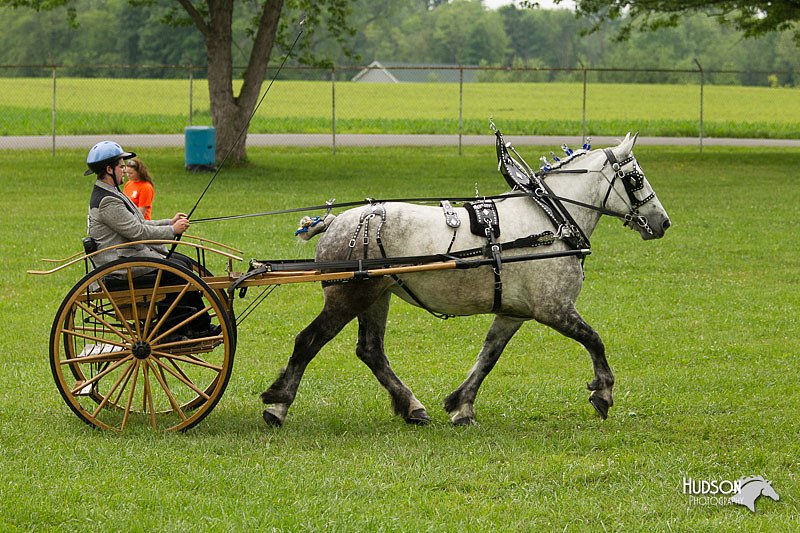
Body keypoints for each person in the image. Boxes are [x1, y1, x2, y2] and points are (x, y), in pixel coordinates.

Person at [84, 140, 217, 339]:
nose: (124, 171)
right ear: (109, 169)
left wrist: (169, 223)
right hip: (120, 265)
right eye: (121, 167)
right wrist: (172, 230)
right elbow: (137, 232)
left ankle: (196, 325)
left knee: (183, 263)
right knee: (176, 272)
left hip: (127, 256)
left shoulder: (112, 193)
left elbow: (140, 223)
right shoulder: (107, 201)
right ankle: (172, 330)